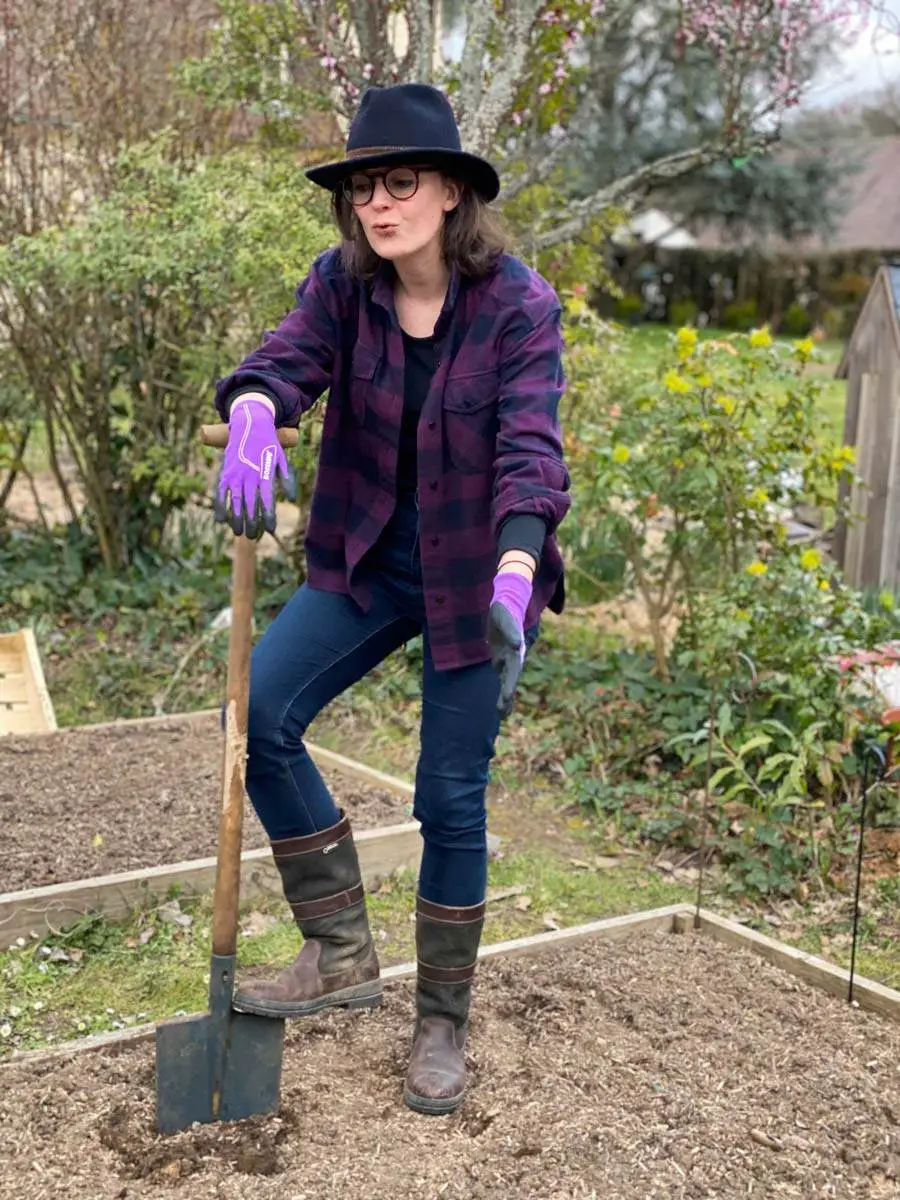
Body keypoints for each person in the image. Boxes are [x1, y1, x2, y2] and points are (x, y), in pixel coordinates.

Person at [211, 81, 571, 1116]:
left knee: (448, 797)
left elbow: (530, 453)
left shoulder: (520, 305)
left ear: (452, 191)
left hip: (477, 576)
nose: (378, 202)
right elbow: (285, 363)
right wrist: (251, 413)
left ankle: (442, 1022)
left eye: (400, 181)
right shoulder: (343, 286)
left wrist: (516, 567)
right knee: (259, 713)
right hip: (369, 557)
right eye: (364, 185)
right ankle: (339, 950)